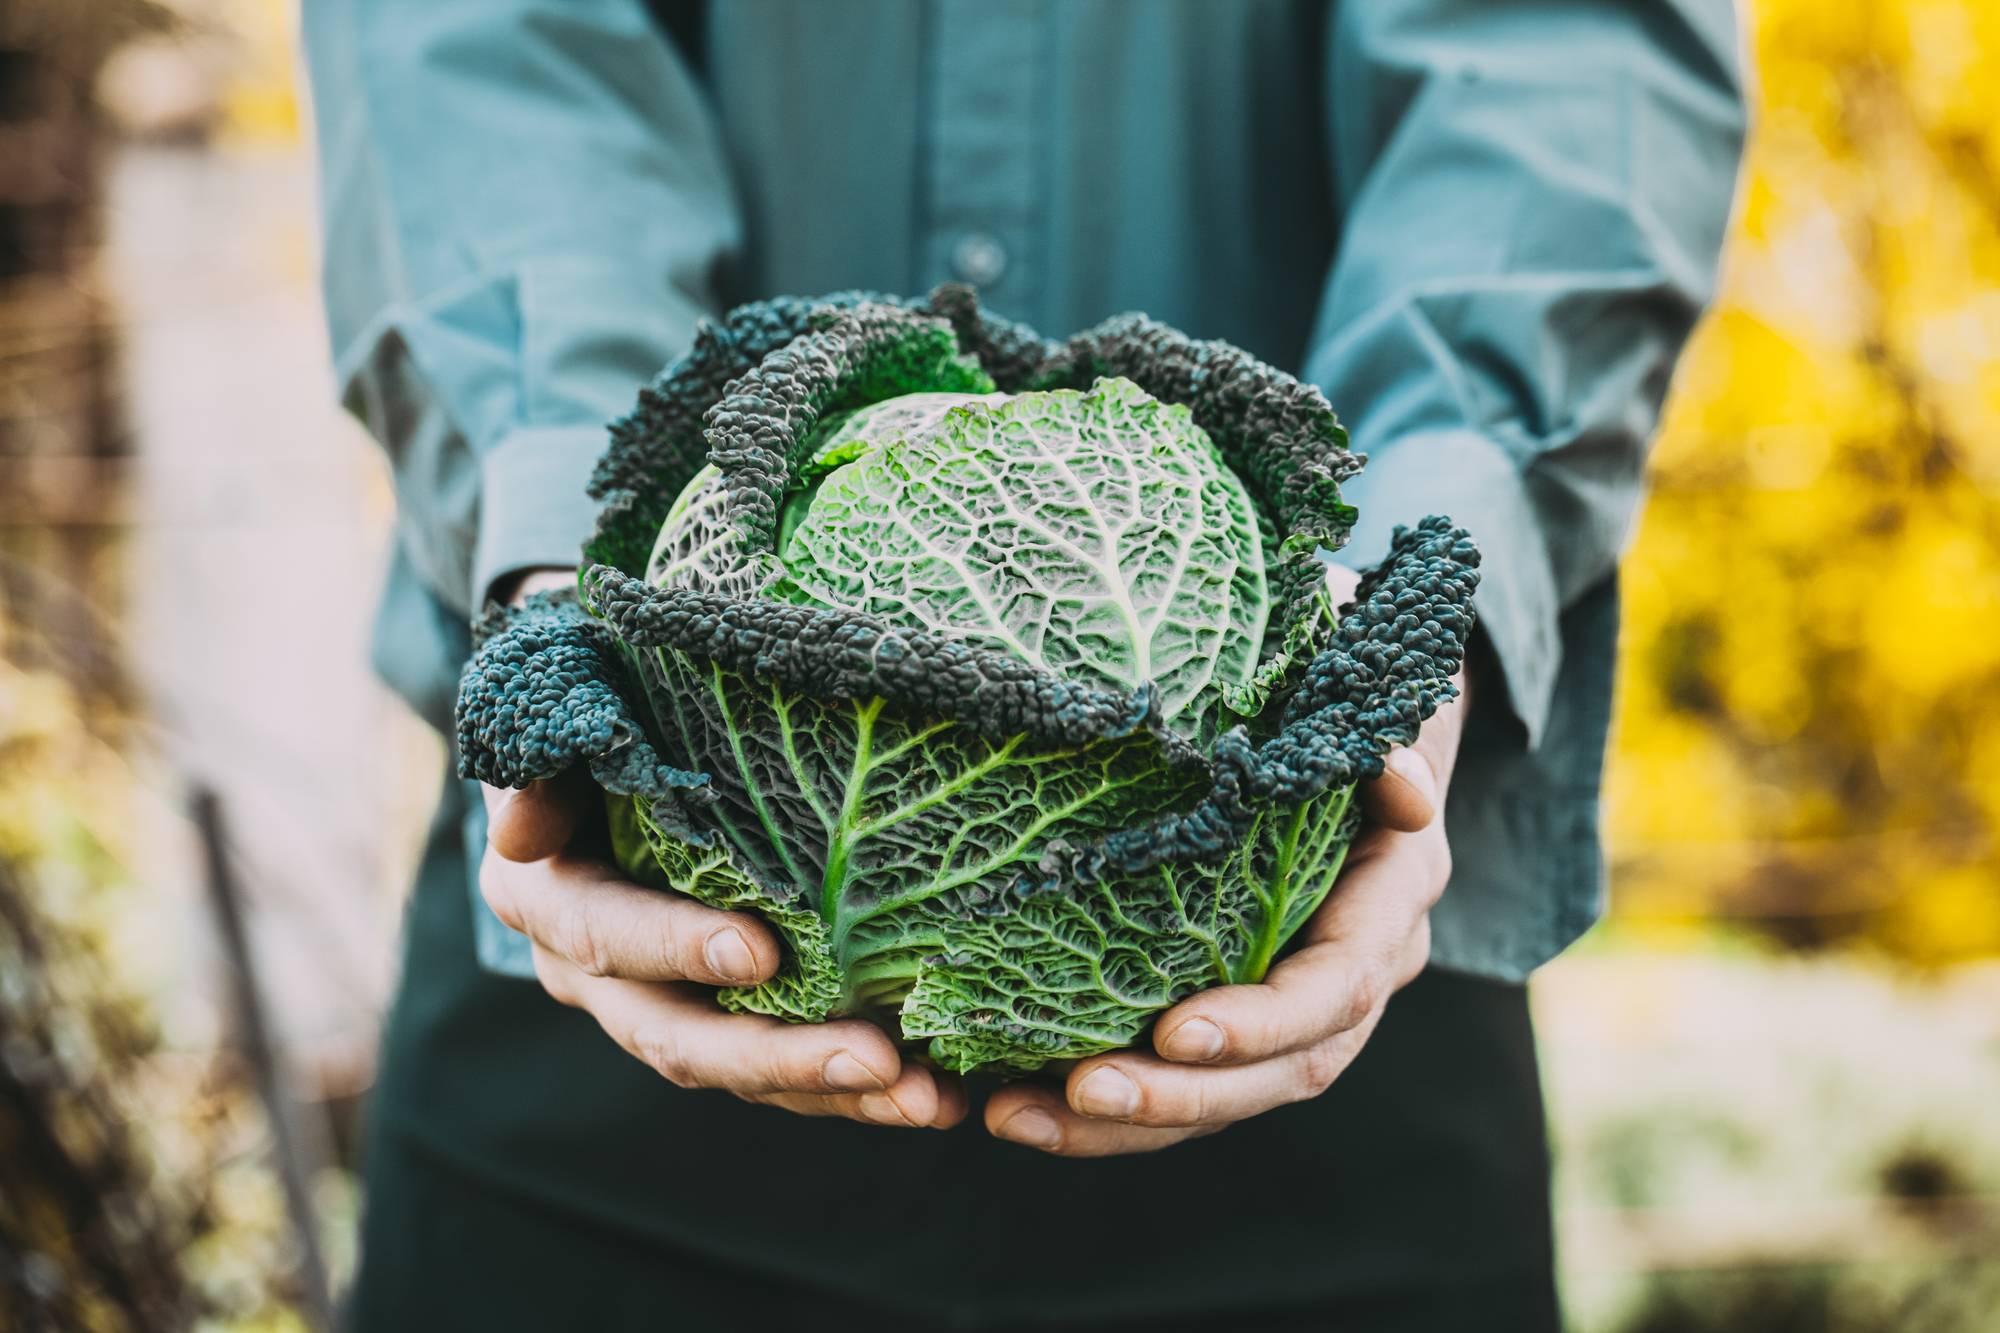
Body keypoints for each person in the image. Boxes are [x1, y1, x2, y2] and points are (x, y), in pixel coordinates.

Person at [303, 2, 1744, 1328]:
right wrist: (569, 572)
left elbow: (1568, 60)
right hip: (613, 962)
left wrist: (1415, 611)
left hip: (1330, 992)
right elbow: (473, 47)